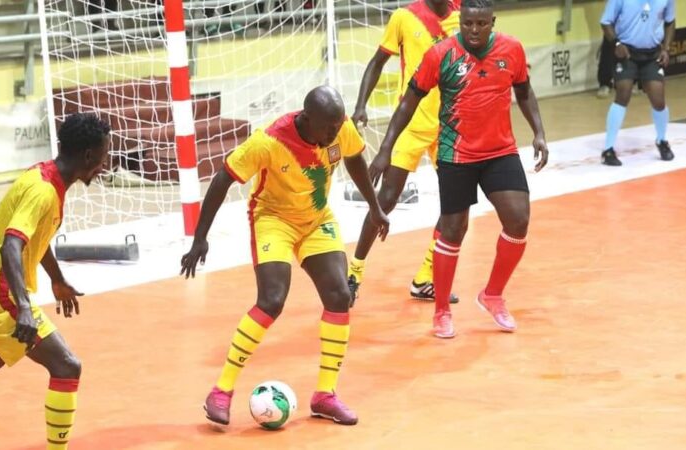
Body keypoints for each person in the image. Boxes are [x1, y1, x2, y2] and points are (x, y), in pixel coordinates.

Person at [180, 86, 389, 426]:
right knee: (272, 300)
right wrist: (199, 238)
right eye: (329, 128)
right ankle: (221, 390)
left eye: (338, 126)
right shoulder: (268, 142)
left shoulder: (339, 126)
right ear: (308, 119)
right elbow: (222, 179)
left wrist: (375, 208)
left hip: (316, 218)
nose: (336, 132)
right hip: (274, 220)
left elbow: (353, 158)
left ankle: (325, 395)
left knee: (339, 295)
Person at [0, 113, 111, 450]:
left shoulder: (45, 176)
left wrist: (57, 279)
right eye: (103, 156)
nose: (104, 165)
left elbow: (33, 239)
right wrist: (25, 309)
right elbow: (11, 246)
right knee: (67, 367)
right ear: (88, 155)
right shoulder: (44, 192)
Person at [375, 0, 548, 338]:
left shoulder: (511, 49)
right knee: (453, 230)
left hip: (500, 151)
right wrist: (385, 150)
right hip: (457, 154)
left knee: (519, 219)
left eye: (481, 24)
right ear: (461, 21)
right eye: (467, 23)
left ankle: (493, 294)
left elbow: (524, 91)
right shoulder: (441, 54)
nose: (473, 30)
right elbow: (409, 101)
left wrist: (539, 132)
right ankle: (441, 311)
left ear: (492, 22)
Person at [348, 0, 461, 304]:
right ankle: (354, 272)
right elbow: (377, 61)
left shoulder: (463, 18)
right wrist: (361, 105)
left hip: (449, 126)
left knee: (455, 204)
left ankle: (426, 278)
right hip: (410, 123)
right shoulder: (404, 17)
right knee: (386, 199)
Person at [599, 0, 675, 166]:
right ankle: (608, 149)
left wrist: (666, 49)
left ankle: (662, 141)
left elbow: (670, 22)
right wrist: (616, 43)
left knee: (658, 100)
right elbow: (605, 22)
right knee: (623, 94)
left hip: (652, 53)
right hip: (626, 52)